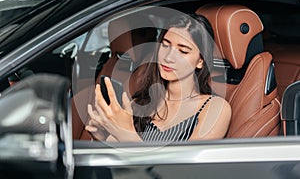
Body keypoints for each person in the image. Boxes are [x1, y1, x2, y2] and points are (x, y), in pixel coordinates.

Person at [85, 13, 232, 142]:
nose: (168, 57)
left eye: (183, 51)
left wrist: (127, 134)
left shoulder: (214, 108)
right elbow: (119, 154)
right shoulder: (141, 102)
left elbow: (187, 170)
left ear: (201, 61)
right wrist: (101, 137)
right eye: (166, 45)